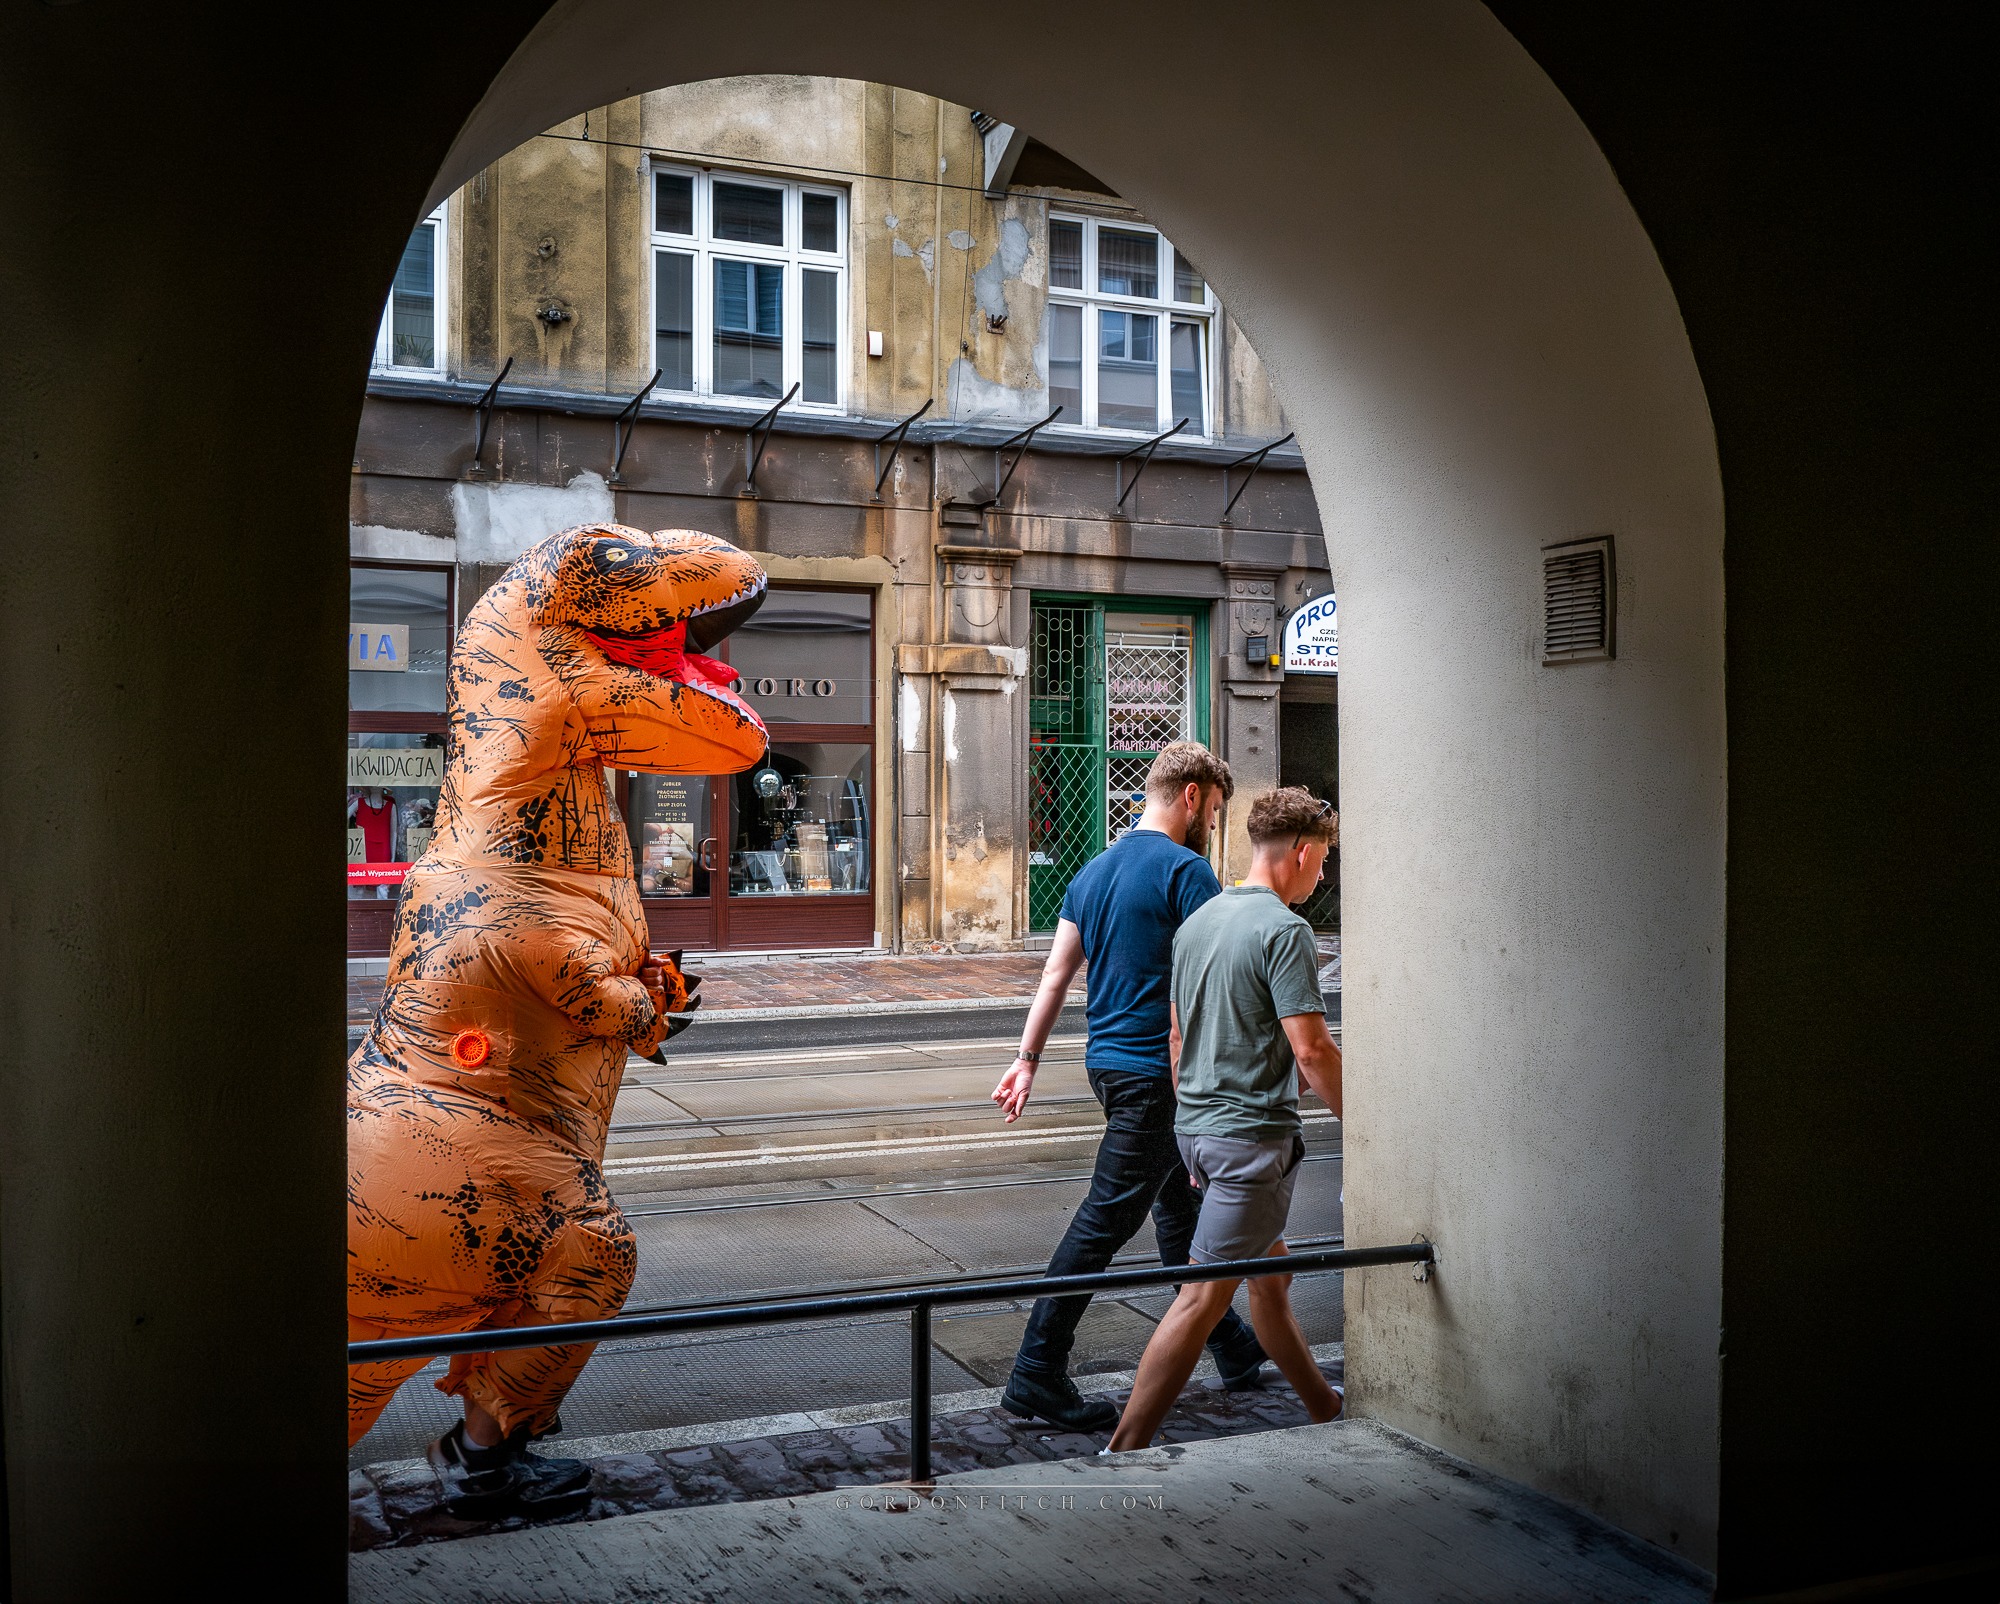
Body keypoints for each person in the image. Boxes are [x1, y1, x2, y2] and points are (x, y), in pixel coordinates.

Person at [991, 742, 1268, 1432]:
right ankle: (1035, 1374)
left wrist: (1026, 1058)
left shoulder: (1092, 871)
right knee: (1103, 1222)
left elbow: (1056, 975)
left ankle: (1232, 1347)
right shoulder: (1186, 871)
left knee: (1178, 1216)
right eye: (1215, 809)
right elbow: (1216, 983)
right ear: (1195, 795)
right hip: (1159, 1074)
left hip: (1110, 1068)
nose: (1212, 823)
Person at [1106, 786, 1344, 1451]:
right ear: (1299, 854)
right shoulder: (1285, 931)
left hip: (1200, 1137)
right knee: (1200, 1297)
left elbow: (1178, 1038)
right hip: (1249, 1142)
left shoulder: (1198, 924)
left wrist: (1199, 1117)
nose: (1321, 875)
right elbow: (1313, 1049)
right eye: (1322, 861)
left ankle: (1325, 1407)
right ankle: (1123, 1449)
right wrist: (1368, 1125)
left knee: (1270, 1280)